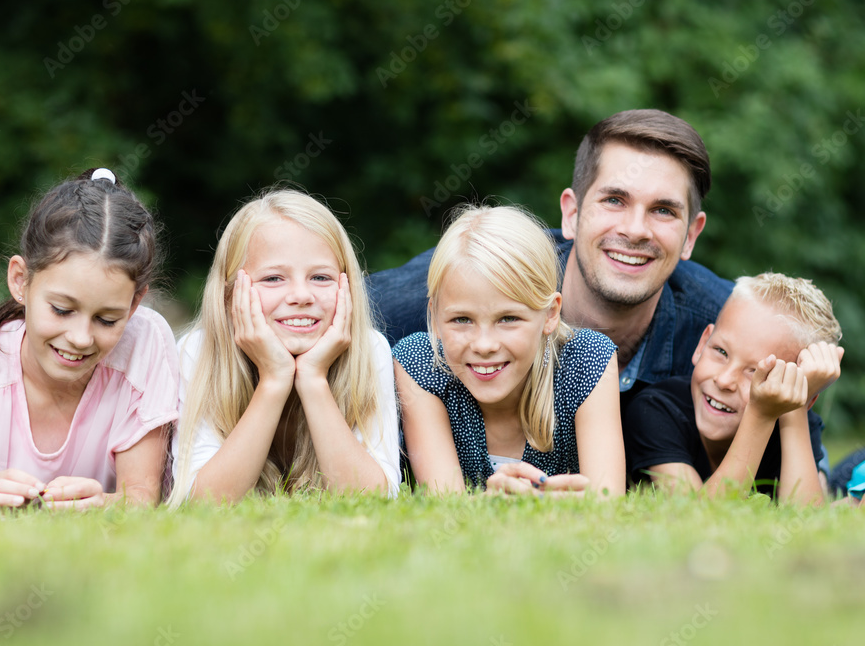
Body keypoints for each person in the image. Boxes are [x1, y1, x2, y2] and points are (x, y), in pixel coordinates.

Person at [369, 109, 828, 471]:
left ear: (691, 235)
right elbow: (321, 309)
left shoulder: (720, 324)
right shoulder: (466, 288)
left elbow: (798, 417)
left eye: (664, 211)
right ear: (571, 213)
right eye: (614, 200)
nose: (635, 230)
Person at [0, 168, 179, 514]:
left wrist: (103, 505)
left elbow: (141, 499)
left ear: (135, 303)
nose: (81, 338)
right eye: (62, 309)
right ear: (20, 280)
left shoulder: (145, 342)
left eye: (107, 319)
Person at [168, 189, 400, 505]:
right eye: (274, 279)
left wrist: (313, 379)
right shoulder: (198, 351)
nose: (301, 296)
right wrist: (274, 379)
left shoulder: (370, 350)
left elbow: (376, 500)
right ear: (230, 292)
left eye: (320, 277)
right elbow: (200, 503)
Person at [392, 205, 625, 496]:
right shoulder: (421, 363)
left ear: (550, 314)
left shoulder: (588, 358)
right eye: (461, 320)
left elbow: (606, 500)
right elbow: (444, 505)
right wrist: (499, 503)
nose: (484, 345)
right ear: (436, 318)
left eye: (508, 319)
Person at [623, 273, 843, 504]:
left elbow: (806, 522)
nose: (724, 380)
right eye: (720, 351)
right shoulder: (656, 409)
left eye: (756, 372)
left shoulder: (793, 420)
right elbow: (695, 517)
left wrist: (795, 410)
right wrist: (760, 415)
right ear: (703, 342)